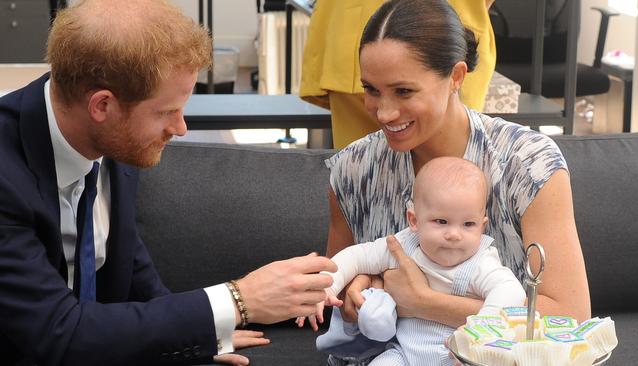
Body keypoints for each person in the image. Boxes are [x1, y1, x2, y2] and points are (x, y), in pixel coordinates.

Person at [0, 1, 336, 365]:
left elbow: (131, 269)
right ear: (102, 106)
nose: (180, 128)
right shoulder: (6, 175)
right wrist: (237, 300)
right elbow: (57, 332)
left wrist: (197, 334)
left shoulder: (110, 140)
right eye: (166, 112)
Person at [325, 0, 591, 364]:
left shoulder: (527, 162)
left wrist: (423, 303)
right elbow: (333, 285)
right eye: (371, 89)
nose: (383, 112)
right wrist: (355, 294)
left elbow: (570, 315)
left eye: (404, 91)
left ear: (456, 77)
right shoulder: (353, 169)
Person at [298, 157, 526, 365]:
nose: (455, 234)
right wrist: (328, 284)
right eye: (442, 221)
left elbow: (510, 289)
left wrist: (484, 326)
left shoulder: (480, 262)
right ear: (414, 220)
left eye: (468, 224)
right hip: (404, 354)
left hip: (457, 357)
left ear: (482, 225)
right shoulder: (404, 245)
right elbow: (356, 257)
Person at [300, 0, 497, 149]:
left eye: (404, 91)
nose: (386, 114)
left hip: (353, 28)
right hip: (445, 31)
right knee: (361, 173)